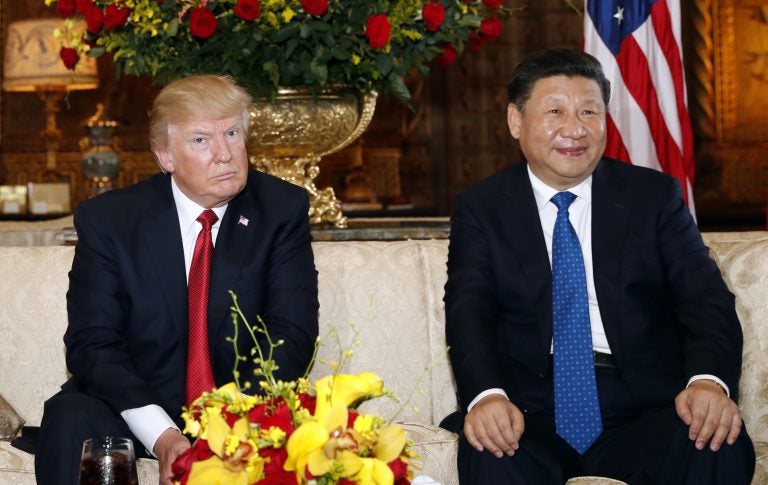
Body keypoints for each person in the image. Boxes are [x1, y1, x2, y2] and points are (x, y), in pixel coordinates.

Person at [441, 48, 756, 484]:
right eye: (555, 111)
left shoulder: (653, 198)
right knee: (488, 452)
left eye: (589, 111)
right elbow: (467, 311)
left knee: (718, 442)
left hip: (645, 408)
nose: (574, 129)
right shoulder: (482, 208)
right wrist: (488, 396)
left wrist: (707, 382)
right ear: (516, 121)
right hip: (529, 411)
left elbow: (704, 299)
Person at [35, 75, 319, 484]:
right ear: (165, 156)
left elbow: (290, 338)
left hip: (243, 407)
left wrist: (227, 428)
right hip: (135, 407)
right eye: (201, 140)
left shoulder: (280, 211)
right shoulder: (111, 221)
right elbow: (92, 343)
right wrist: (164, 435)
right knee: (69, 416)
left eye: (233, 133)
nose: (224, 154)